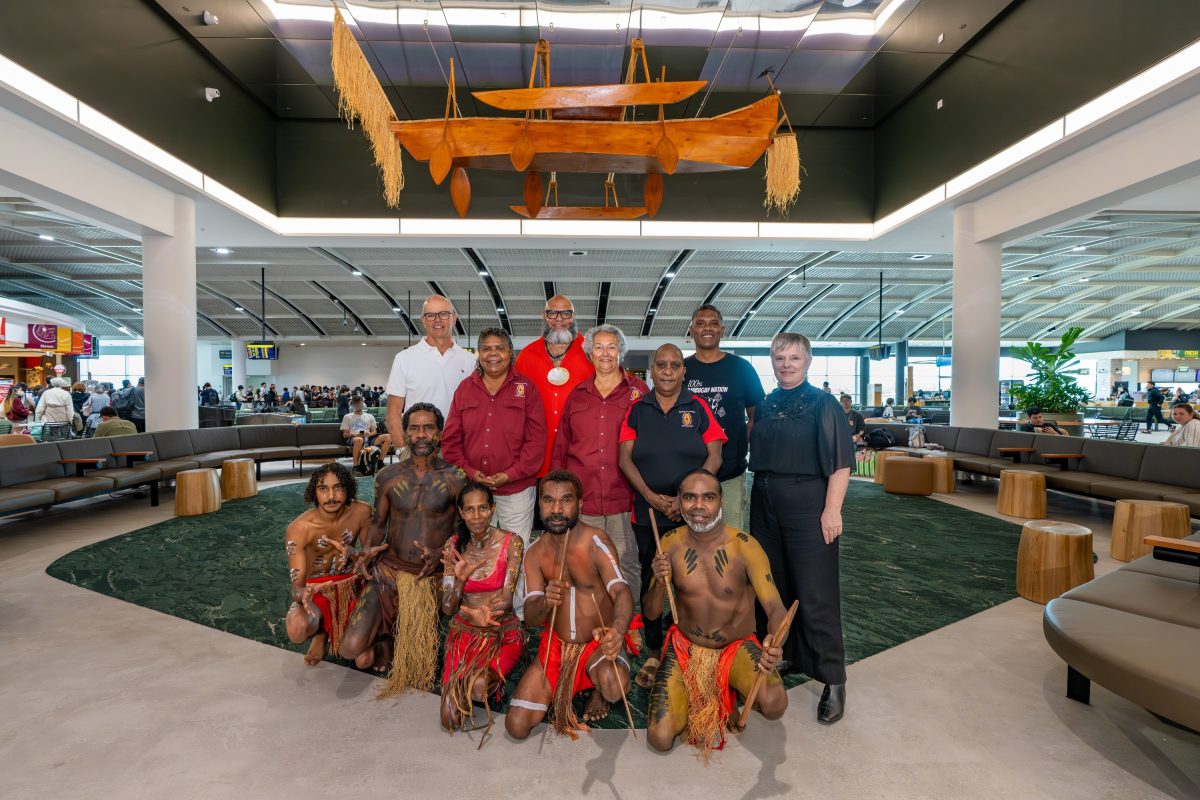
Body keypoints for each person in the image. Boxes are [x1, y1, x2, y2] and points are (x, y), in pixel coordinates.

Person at [749, 332, 854, 725]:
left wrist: (832, 509)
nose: (786, 363)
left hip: (808, 503)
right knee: (774, 585)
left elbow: (841, 462)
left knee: (815, 591)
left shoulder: (823, 403)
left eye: (794, 357)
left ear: (808, 361)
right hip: (764, 500)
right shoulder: (767, 402)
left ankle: (833, 678)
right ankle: (787, 653)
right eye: (780, 356)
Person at [645, 469, 787, 758]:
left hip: (735, 648)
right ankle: (704, 696)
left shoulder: (745, 546)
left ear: (721, 500)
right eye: (690, 497)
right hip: (685, 649)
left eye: (708, 497)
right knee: (660, 738)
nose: (698, 506)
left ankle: (725, 691)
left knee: (774, 704)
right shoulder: (669, 544)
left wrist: (775, 642)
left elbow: (775, 607)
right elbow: (651, 612)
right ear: (679, 502)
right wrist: (659, 583)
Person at [339, 402, 467, 693]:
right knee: (350, 649)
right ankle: (386, 637)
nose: (421, 434)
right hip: (388, 570)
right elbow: (377, 522)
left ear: (440, 432)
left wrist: (443, 553)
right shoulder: (388, 476)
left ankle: (397, 638)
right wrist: (367, 551)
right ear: (405, 433)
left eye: (428, 427)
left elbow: (464, 529)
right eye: (414, 428)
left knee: (395, 660)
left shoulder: (455, 477)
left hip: (428, 577)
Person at [618, 343, 726, 689]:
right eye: (661, 365)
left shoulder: (697, 407)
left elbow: (715, 456)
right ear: (652, 371)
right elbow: (625, 460)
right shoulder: (637, 409)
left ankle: (690, 643)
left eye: (674, 365)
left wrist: (687, 499)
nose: (667, 370)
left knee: (695, 579)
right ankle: (653, 649)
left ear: (683, 371)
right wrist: (650, 496)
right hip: (648, 513)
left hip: (693, 515)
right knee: (654, 582)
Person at [505, 471, 636, 740]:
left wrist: (618, 632)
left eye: (565, 500)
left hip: (596, 642)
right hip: (558, 645)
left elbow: (622, 592)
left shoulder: (596, 542)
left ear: (580, 503)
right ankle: (568, 682)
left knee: (612, 687)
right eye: (548, 500)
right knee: (516, 726)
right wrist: (544, 601)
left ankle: (596, 686)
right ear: (539, 504)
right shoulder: (534, 553)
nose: (556, 509)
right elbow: (530, 616)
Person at [552, 324, 648, 601]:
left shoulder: (639, 392)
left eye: (611, 347)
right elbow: (562, 446)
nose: (605, 353)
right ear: (589, 354)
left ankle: (628, 625)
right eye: (599, 347)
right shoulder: (577, 395)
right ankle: (590, 624)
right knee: (584, 564)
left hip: (624, 497)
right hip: (585, 498)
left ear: (621, 352)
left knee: (626, 563)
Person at [443, 327, 547, 570]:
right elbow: (450, 441)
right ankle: (476, 606)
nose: (493, 354)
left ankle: (515, 608)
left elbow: (536, 443)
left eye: (499, 348)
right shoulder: (465, 388)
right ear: (478, 353)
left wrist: (509, 475)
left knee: (516, 557)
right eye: (487, 348)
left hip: (516, 490)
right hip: (474, 491)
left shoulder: (527, 389)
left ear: (510, 353)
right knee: (475, 554)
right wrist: (470, 472)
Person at [438, 482, 524, 733]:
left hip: (500, 635)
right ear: (461, 512)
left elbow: (506, 600)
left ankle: (483, 681)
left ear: (493, 508)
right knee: (449, 720)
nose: (476, 517)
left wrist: (482, 613)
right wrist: (460, 582)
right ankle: (467, 679)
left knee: (478, 687)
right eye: (470, 510)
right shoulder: (451, 547)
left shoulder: (512, 543)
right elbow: (446, 608)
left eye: (483, 508)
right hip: (463, 636)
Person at [683, 304, 765, 528]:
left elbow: (756, 417)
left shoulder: (741, 369)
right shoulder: (682, 369)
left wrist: (739, 447)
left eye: (713, 323)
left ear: (722, 329)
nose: (707, 328)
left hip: (730, 474)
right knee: (691, 544)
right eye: (700, 323)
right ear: (691, 330)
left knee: (729, 543)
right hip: (688, 475)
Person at [284, 463, 373, 666]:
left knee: (364, 660)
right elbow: (296, 587)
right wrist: (304, 594)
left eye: (338, 487)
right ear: (314, 492)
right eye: (323, 488)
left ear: (348, 488)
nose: (331, 495)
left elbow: (371, 559)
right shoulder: (299, 529)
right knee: (297, 629)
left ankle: (343, 630)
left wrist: (354, 553)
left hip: (352, 585)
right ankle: (321, 633)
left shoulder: (362, 512)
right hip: (316, 589)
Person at [514, 294, 595, 477]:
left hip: (579, 456)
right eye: (553, 313)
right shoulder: (526, 357)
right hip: (536, 459)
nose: (559, 319)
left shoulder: (591, 352)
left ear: (573, 316)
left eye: (566, 314)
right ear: (544, 316)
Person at [386, 294, 478, 439]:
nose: (438, 320)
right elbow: (393, 411)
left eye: (444, 314)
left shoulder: (471, 361)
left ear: (454, 318)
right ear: (423, 320)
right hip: (419, 446)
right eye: (430, 315)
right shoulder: (404, 359)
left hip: (460, 448)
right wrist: (402, 450)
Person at [341, 395, 391, 475]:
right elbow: (345, 434)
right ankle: (355, 466)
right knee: (359, 439)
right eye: (356, 404)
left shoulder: (369, 416)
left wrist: (369, 434)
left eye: (360, 403)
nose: (358, 406)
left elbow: (374, 432)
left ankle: (380, 463)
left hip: (369, 438)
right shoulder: (347, 417)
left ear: (362, 404)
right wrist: (355, 435)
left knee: (388, 437)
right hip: (355, 439)